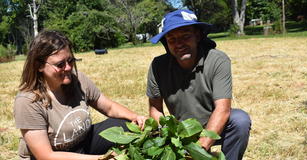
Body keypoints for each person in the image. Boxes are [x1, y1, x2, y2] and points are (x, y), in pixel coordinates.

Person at [14, 30, 147, 160]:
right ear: (39, 66)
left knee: (126, 124)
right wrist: (101, 159)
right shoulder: (28, 101)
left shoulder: (77, 80)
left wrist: (135, 117)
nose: (68, 68)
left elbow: (109, 107)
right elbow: (45, 156)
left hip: (82, 144)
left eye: (70, 61)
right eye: (60, 64)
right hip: (55, 156)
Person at [146, 9, 251, 160]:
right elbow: (155, 109)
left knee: (240, 120)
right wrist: (167, 139)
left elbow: (223, 109)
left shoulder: (217, 60)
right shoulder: (158, 66)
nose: (179, 44)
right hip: (181, 130)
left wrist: (198, 150)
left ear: (198, 35)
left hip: (214, 125)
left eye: (185, 36)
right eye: (172, 39)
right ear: (166, 43)